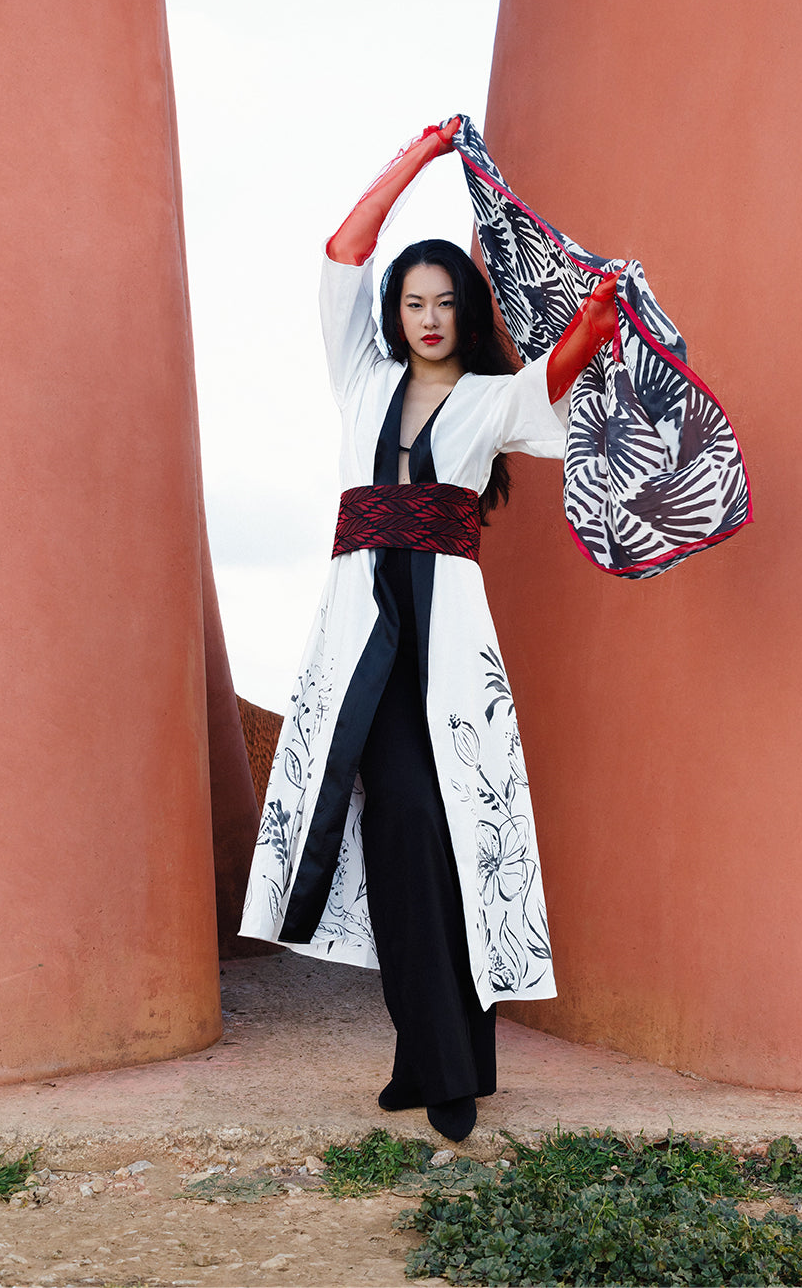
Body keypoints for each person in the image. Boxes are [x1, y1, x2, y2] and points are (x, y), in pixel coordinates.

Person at [240, 118, 618, 1141]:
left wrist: (602, 305)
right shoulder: (359, 378)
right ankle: (435, 1053)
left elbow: (561, 375)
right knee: (401, 823)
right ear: (394, 315)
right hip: (362, 639)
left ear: (465, 314)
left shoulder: (492, 402)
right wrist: (420, 156)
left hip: (446, 649)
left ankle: (446, 1061)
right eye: (413, 302)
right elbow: (340, 254)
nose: (428, 316)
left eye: (446, 301)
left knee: (448, 838)